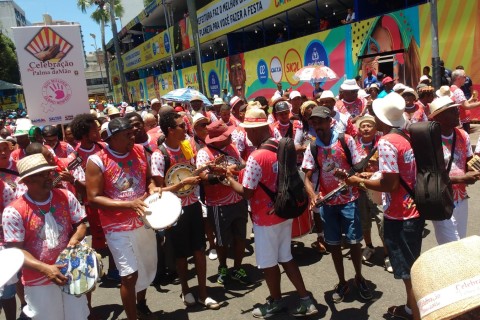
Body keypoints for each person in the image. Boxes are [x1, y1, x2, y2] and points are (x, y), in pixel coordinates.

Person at [226, 107, 318, 318]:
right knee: (286, 256)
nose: (247, 135)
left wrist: (228, 180)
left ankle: (276, 301)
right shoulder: (281, 144)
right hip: (284, 210)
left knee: (268, 263)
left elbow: (247, 192)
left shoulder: (256, 157)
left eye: (249, 130)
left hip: (265, 218)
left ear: (257, 130)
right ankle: (306, 300)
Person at [345, 92, 423, 320]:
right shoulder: (405, 137)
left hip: (400, 214)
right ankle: (411, 309)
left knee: (408, 272)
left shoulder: (387, 141)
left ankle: (415, 314)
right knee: (412, 267)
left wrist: (358, 180)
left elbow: (390, 184)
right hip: (414, 208)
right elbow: (400, 174)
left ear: (381, 119)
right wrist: (372, 174)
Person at [86, 118, 159, 320]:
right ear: (111, 138)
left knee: (146, 267)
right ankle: (132, 317)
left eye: (132, 132)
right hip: (116, 226)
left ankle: (141, 304)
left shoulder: (140, 151)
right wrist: (129, 204)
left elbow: (149, 180)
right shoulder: (97, 161)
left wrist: (153, 188)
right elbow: (93, 198)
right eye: (127, 134)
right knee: (129, 275)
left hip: (144, 220)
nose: (132, 136)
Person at [3, 153, 89, 319]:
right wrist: (45, 269)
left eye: (48, 173)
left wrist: (75, 238)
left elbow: (81, 224)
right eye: (41, 175)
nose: (48, 177)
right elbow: (16, 251)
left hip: (72, 271)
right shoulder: (13, 211)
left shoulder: (65, 196)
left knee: (78, 316)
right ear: (27, 181)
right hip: (38, 281)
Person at [302, 106, 372, 304]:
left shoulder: (346, 140)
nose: (317, 126)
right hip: (328, 203)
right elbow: (306, 177)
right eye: (313, 123)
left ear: (329, 121)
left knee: (354, 242)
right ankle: (342, 282)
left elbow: (360, 166)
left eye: (320, 122)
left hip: (349, 200)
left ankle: (359, 277)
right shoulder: (313, 147)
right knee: (333, 245)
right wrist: (312, 195)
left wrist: (352, 178)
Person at [151, 112, 220, 310]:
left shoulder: (187, 146)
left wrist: (204, 169)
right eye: (182, 126)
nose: (186, 128)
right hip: (174, 211)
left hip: (194, 205)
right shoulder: (159, 155)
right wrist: (183, 183)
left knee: (199, 249)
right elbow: (158, 191)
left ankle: (203, 293)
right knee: (181, 254)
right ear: (170, 130)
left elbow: (191, 173)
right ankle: (185, 289)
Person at [197, 121, 249, 286]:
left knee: (240, 237)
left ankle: (238, 267)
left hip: (238, 200)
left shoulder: (232, 147)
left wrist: (238, 167)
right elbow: (203, 178)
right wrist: (223, 175)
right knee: (221, 240)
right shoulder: (204, 154)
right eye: (227, 135)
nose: (230, 136)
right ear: (218, 138)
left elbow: (242, 165)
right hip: (218, 204)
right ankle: (223, 266)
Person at [427, 97, 480, 244]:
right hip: (440, 198)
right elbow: (428, 176)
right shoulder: (429, 139)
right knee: (450, 244)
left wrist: (478, 168)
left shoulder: (463, 135)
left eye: (457, 109)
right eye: (452, 111)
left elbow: (470, 162)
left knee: (460, 242)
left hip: (461, 198)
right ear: (438, 117)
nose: (458, 112)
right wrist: (462, 178)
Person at [450, 69, 480, 133]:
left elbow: (461, 104)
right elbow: (466, 106)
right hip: (462, 122)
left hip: (461, 121)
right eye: (464, 77)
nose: (466, 79)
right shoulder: (458, 91)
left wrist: (470, 100)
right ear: (458, 78)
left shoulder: (452, 88)